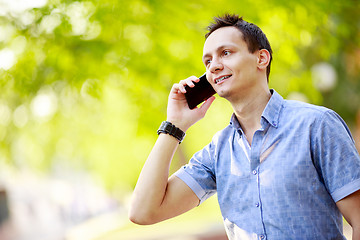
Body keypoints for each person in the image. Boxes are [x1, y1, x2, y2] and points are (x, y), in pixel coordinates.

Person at [129, 14, 360, 240]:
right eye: (208, 61)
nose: (214, 67)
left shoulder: (317, 125)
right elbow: (143, 212)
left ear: (261, 59)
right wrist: (174, 126)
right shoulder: (217, 151)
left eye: (225, 53)